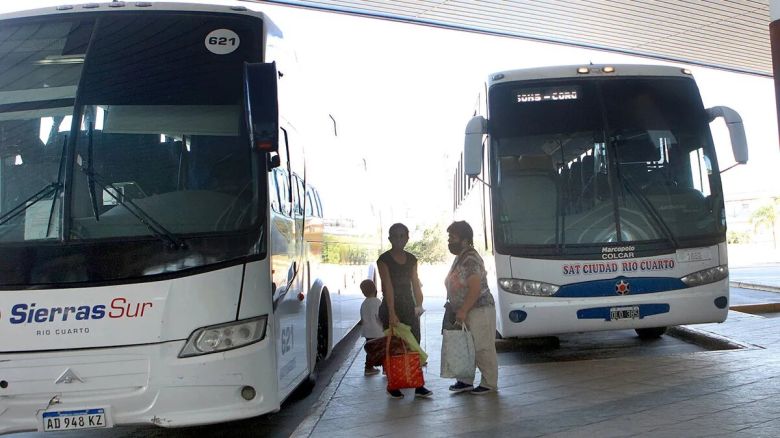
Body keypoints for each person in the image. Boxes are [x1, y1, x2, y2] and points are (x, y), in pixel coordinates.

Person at [377, 223, 432, 399]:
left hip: (409, 307)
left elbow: (415, 282)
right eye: (395, 236)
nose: (399, 239)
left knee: (414, 343)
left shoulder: (412, 259)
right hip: (391, 308)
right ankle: (394, 385)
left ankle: (418, 384)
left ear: (408, 238)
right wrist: (392, 313)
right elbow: (387, 286)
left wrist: (419, 304)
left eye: (402, 236)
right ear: (390, 239)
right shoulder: (383, 260)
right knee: (395, 348)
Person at [444, 220, 498, 395]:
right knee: (466, 345)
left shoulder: (470, 258)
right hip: (468, 310)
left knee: (483, 347)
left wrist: (463, 310)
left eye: (452, 237)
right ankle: (465, 380)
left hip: (479, 310)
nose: (449, 241)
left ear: (465, 239)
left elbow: (475, 288)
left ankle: (489, 382)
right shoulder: (462, 257)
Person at [360, 279, 383, 376]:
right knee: (383, 349)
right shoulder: (377, 302)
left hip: (367, 331)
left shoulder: (364, 304)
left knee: (370, 350)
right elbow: (380, 316)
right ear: (375, 289)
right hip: (377, 331)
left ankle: (368, 368)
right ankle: (386, 368)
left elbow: (362, 318)